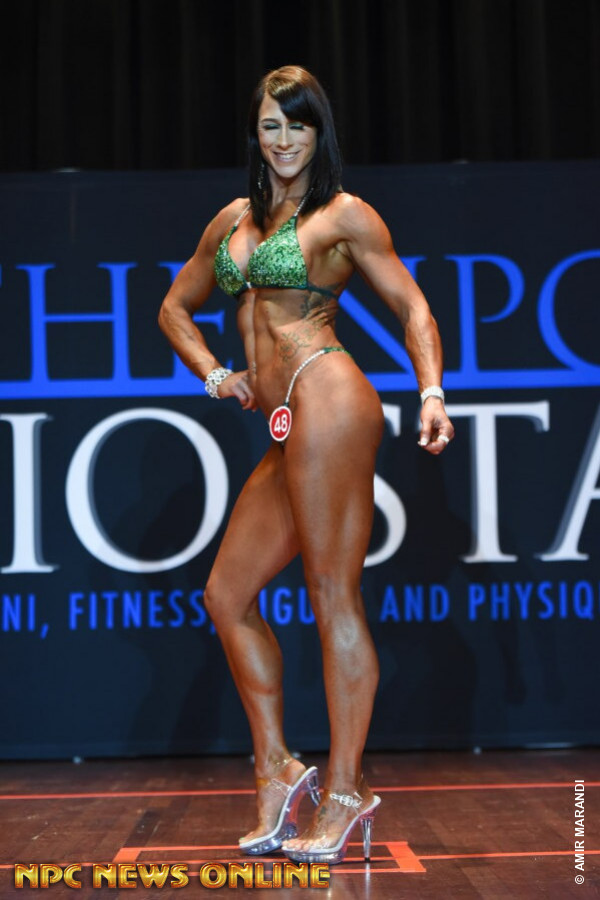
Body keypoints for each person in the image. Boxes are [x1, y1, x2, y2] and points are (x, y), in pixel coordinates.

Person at [158, 65, 454, 865]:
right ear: (255, 134)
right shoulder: (232, 221)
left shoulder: (343, 215)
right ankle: (279, 770)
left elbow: (413, 306)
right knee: (226, 596)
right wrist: (214, 373)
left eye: (298, 124)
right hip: (284, 423)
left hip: (329, 395)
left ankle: (348, 791)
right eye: (271, 125)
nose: (284, 140)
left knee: (331, 596)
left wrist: (430, 390)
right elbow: (174, 308)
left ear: (320, 133)